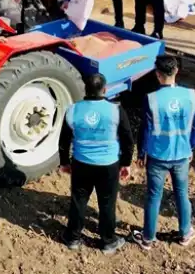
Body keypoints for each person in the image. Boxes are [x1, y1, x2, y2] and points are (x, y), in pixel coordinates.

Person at [59, 73, 134, 255]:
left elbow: (63, 141)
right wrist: (126, 163)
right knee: (107, 202)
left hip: (81, 163)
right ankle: (108, 241)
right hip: (109, 165)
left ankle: (73, 238)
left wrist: (64, 163)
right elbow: (128, 139)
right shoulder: (116, 111)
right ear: (105, 90)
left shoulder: (73, 110)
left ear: (85, 89)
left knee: (79, 200)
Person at [131, 55, 195, 250]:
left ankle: (148, 238)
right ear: (176, 71)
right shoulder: (191, 96)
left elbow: (144, 129)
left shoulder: (151, 99)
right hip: (182, 155)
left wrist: (141, 153)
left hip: (157, 156)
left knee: (154, 196)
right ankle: (185, 233)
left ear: (157, 75)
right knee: (181, 193)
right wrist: (190, 147)